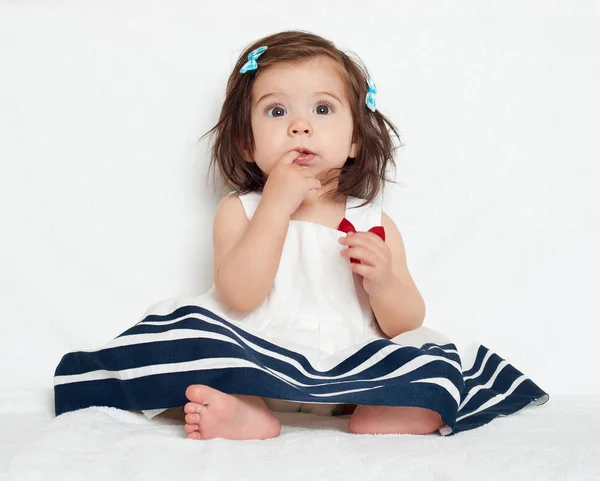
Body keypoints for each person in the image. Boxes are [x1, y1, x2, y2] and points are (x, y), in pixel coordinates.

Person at [53, 30, 548, 440]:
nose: (300, 128)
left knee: (435, 362)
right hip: (258, 351)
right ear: (247, 142)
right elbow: (241, 295)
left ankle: (379, 411)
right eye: (276, 112)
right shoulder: (241, 210)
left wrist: (384, 283)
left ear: (355, 139)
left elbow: (406, 320)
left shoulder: (371, 220)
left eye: (323, 110)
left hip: (350, 362)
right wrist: (276, 205)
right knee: (189, 341)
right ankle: (247, 413)